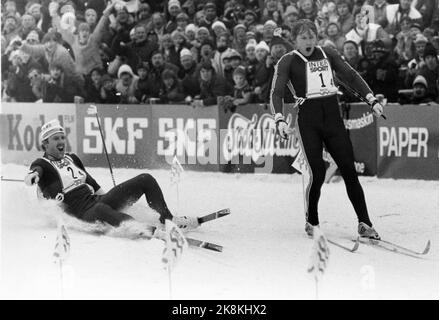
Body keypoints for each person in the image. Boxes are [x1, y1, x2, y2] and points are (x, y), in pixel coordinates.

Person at [270, 19, 384, 240]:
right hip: (308, 121)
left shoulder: (327, 53)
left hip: (332, 118)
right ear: (295, 40)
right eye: (303, 37)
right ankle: (312, 220)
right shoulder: (287, 61)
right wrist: (279, 119)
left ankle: (365, 223)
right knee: (318, 173)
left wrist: (371, 98)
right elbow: (276, 92)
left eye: (312, 36)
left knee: (349, 171)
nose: (308, 41)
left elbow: (350, 75)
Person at [24, 119, 199, 238]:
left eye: (62, 137)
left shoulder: (72, 158)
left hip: (97, 200)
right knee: (101, 209)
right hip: (82, 213)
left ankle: (168, 219)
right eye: (56, 138)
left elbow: (90, 181)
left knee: (145, 178)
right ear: (45, 144)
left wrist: (115, 197)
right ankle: (145, 230)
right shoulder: (42, 163)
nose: (61, 141)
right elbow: (35, 171)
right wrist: (32, 176)